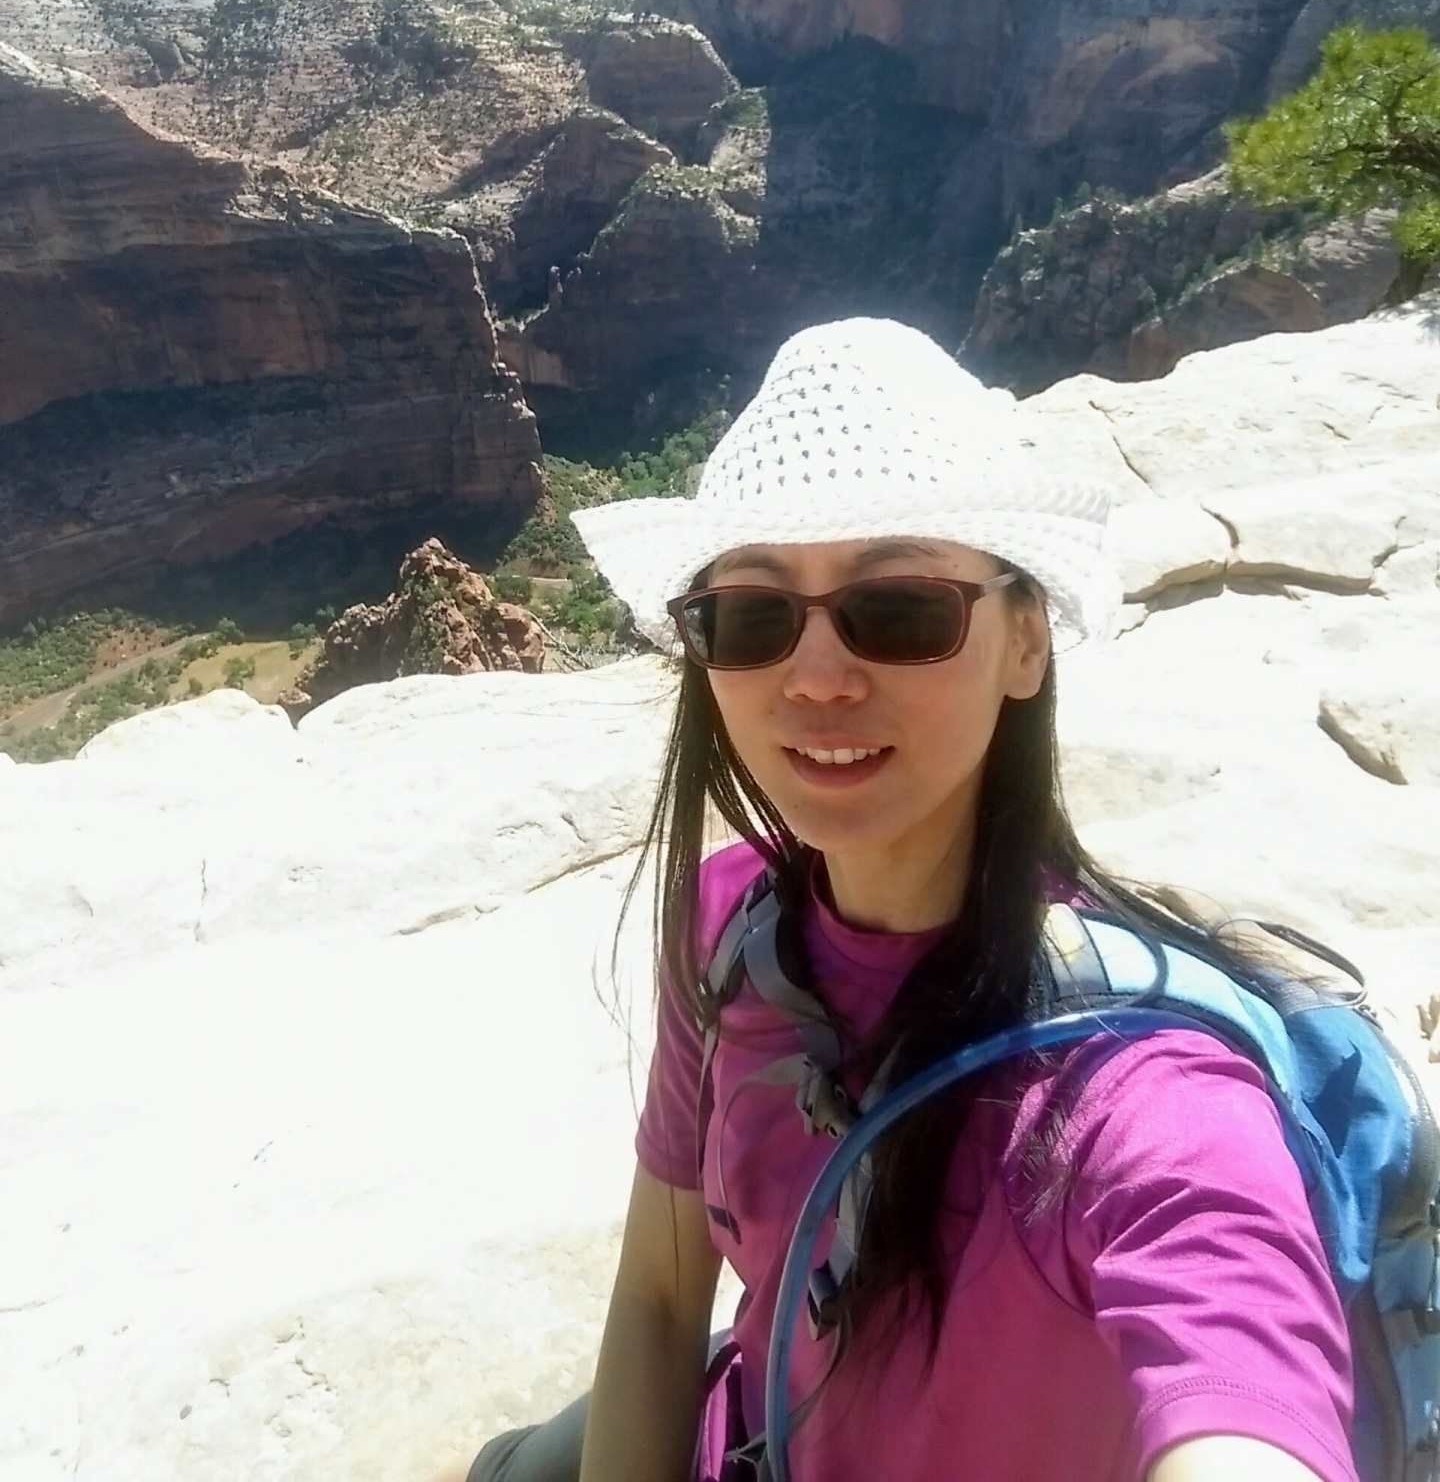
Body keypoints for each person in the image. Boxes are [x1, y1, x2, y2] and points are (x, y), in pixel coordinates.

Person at [436, 318, 1359, 1482]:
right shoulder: (724, 923)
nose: (818, 677)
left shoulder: (1141, 1096)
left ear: (1026, 642)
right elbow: (666, 1294)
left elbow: (1240, 1372)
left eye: (903, 608)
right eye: (753, 615)